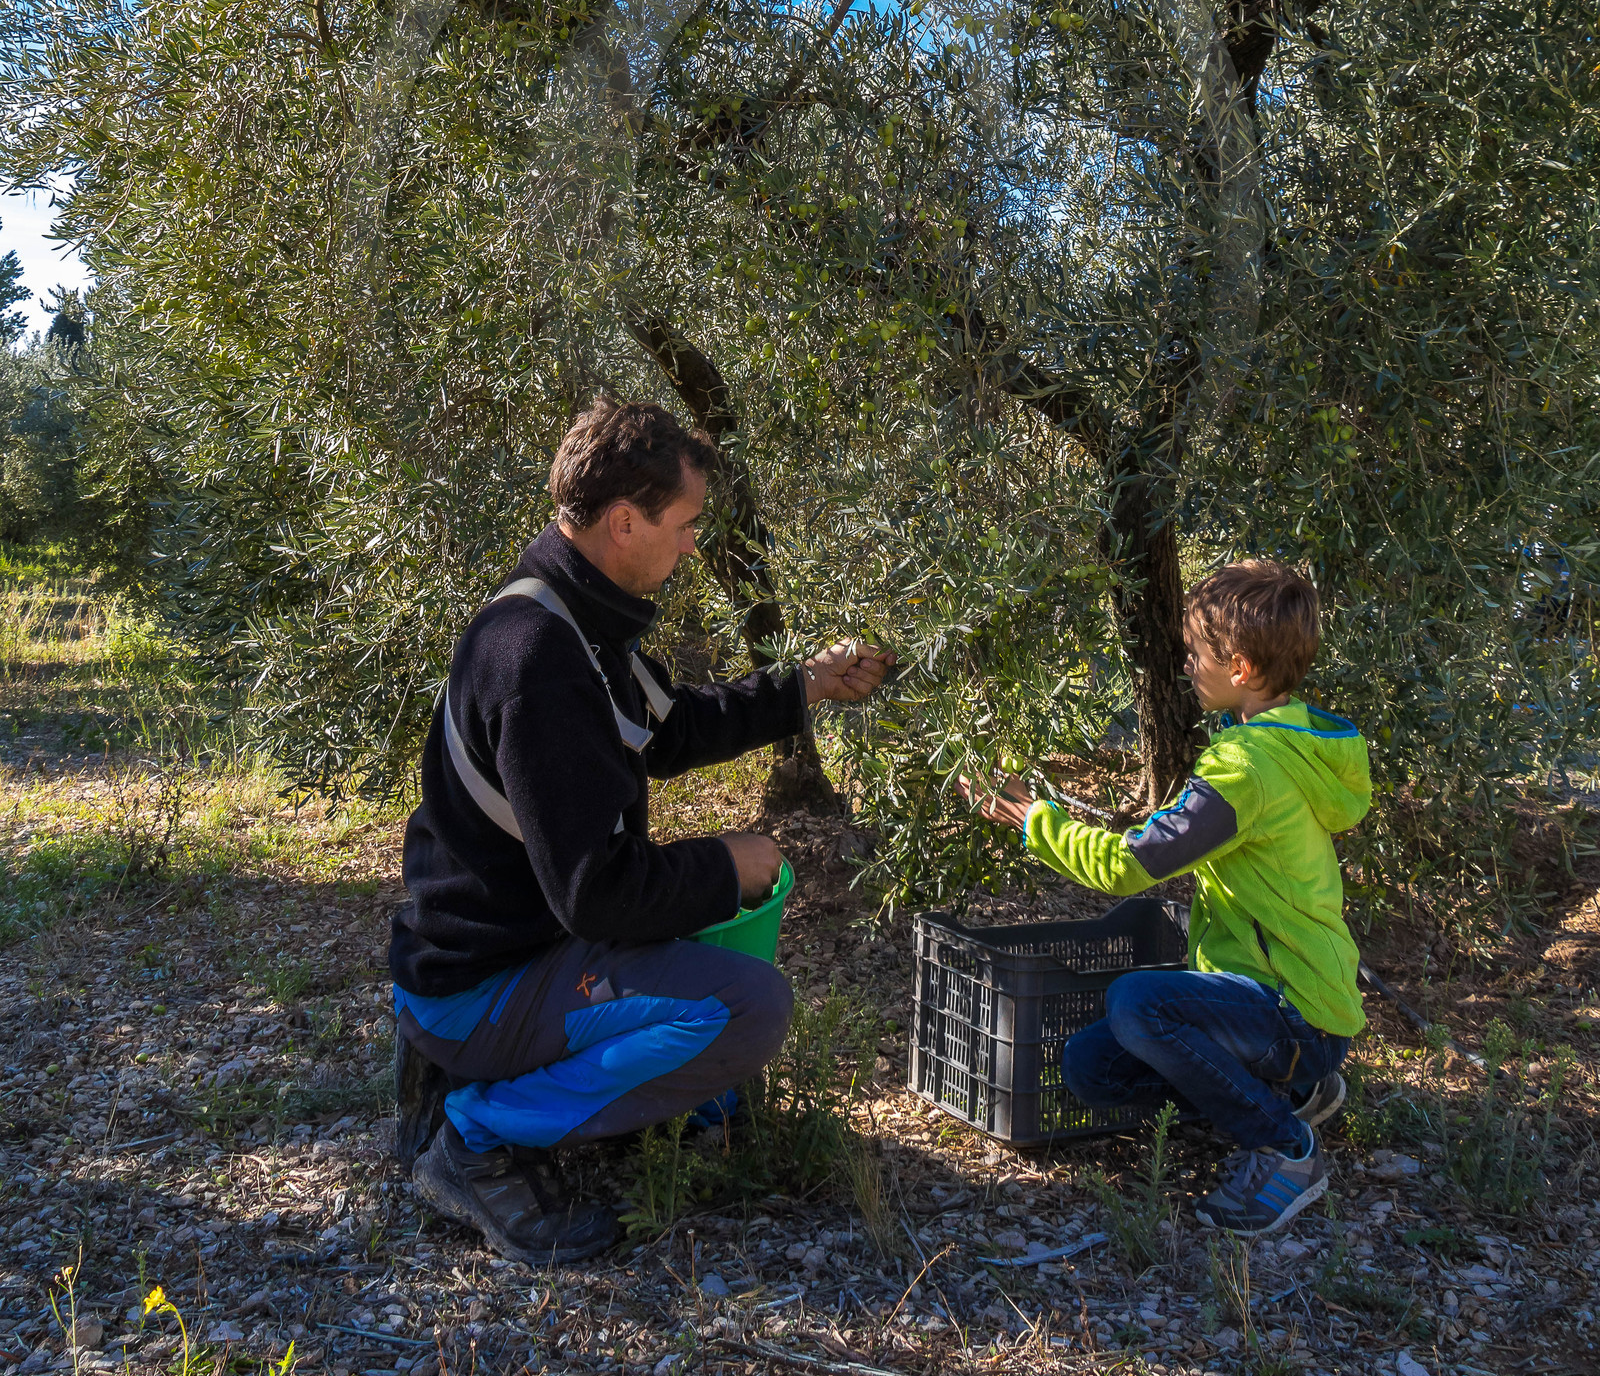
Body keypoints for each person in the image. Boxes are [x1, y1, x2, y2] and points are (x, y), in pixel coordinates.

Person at [390, 396, 894, 1264]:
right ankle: (474, 1137)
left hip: (511, 954)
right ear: (626, 521)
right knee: (751, 1006)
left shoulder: (570, 615)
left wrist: (805, 686)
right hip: (479, 986)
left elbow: (669, 728)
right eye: (687, 523)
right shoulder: (542, 659)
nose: (694, 544)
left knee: (715, 969)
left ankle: (570, 1094)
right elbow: (597, 893)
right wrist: (724, 863)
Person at [959, 559, 1370, 1236]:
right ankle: (1296, 1091)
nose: (1184, 664)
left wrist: (1034, 820)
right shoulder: (1294, 741)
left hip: (1295, 1011)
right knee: (1091, 1066)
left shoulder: (1247, 769)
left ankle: (1285, 1148)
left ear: (1239, 667)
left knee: (1135, 1003)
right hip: (1274, 1000)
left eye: (1195, 653)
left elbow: (1128, 868)